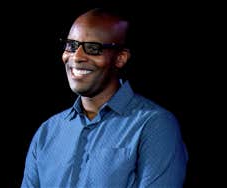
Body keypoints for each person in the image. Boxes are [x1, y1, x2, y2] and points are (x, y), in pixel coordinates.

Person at [21, 7, 188, 188]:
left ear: (120, 58)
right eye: (71, 45)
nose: (77, 57)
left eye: (93, 48)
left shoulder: (155, 125)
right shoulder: (47, 132)